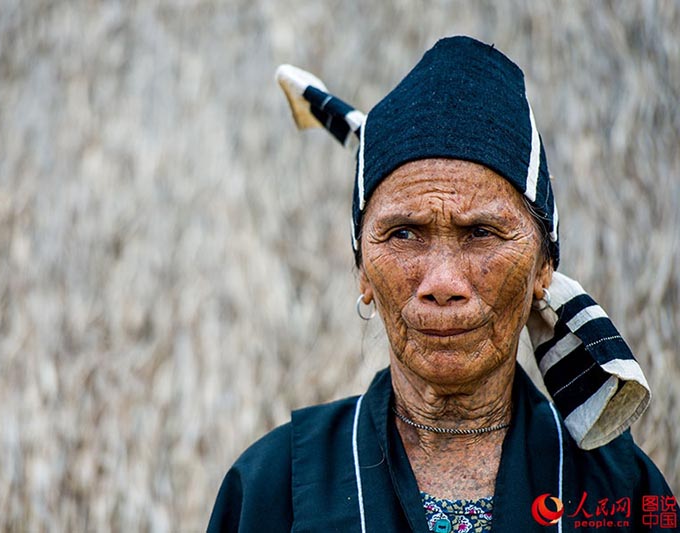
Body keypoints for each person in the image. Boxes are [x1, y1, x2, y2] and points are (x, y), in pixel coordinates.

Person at [208, 36, 675, 532]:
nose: (443, 282)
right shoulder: (271, 487)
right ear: (363, 269)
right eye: (404, 233)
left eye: (481, 233)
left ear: (543, 267)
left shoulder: (621, 494)